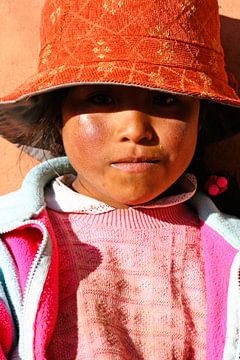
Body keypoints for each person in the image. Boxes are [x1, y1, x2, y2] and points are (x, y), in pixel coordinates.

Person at [0, 0, 239, 359]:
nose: (135, 129)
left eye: (164, 99)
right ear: (57, 115)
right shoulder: (12, 245)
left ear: (200, 118)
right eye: (102, 97)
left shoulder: (230, 253)